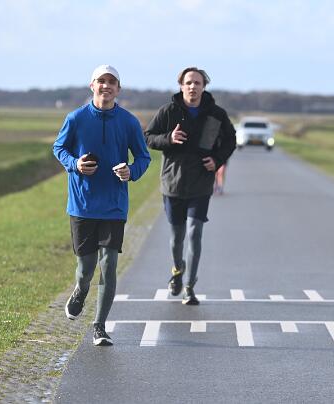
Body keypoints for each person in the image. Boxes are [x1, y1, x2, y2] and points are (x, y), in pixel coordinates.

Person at [53, 65, 150, 346]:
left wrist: (131, 171)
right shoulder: (76, 118)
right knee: (86, 268)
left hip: (114, 204)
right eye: (101, 81)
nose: (106, 86)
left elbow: (143, 157)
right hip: (82, 204)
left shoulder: (129, 122)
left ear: (118, 89)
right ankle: (80, 290)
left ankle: (99, 326)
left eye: (111, 82)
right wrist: (75, 164)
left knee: (109, 264)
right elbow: (59, 148)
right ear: (92, 86)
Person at [144, 67, 236, 305]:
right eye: (188, 83)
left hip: (201, 183)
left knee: (195, 233)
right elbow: (148, 137)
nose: (193, 87)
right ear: (181, 86)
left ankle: (189, 287)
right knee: (177, 237)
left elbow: (231, 140)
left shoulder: (216, 114)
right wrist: (169, 138)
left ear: (204, 86)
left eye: (197, 83)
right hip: (173, 182)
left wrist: (217, 160)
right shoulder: (168, 111)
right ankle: (177, 269)